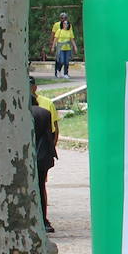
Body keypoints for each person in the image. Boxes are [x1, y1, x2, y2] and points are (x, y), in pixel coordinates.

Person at [30, 80, 56, 232]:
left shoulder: (22, 114)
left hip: (29, 158)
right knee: (41, 188)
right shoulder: (44, 113)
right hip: (42, 157)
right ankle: (43, 220)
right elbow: (51, 134)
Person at [50, 12, 76, 78]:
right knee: (59, 60)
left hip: (67, 45)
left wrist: (74, 45)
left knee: (66, 60)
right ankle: (57, 72)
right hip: (58, 44)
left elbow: (71, 36)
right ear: (60, 18)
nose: (63, 19)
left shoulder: (69, 25)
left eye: (65, 18)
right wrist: (51, 43)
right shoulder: (56, 25)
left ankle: (65, 73)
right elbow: (53, 34)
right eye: (62, 18)